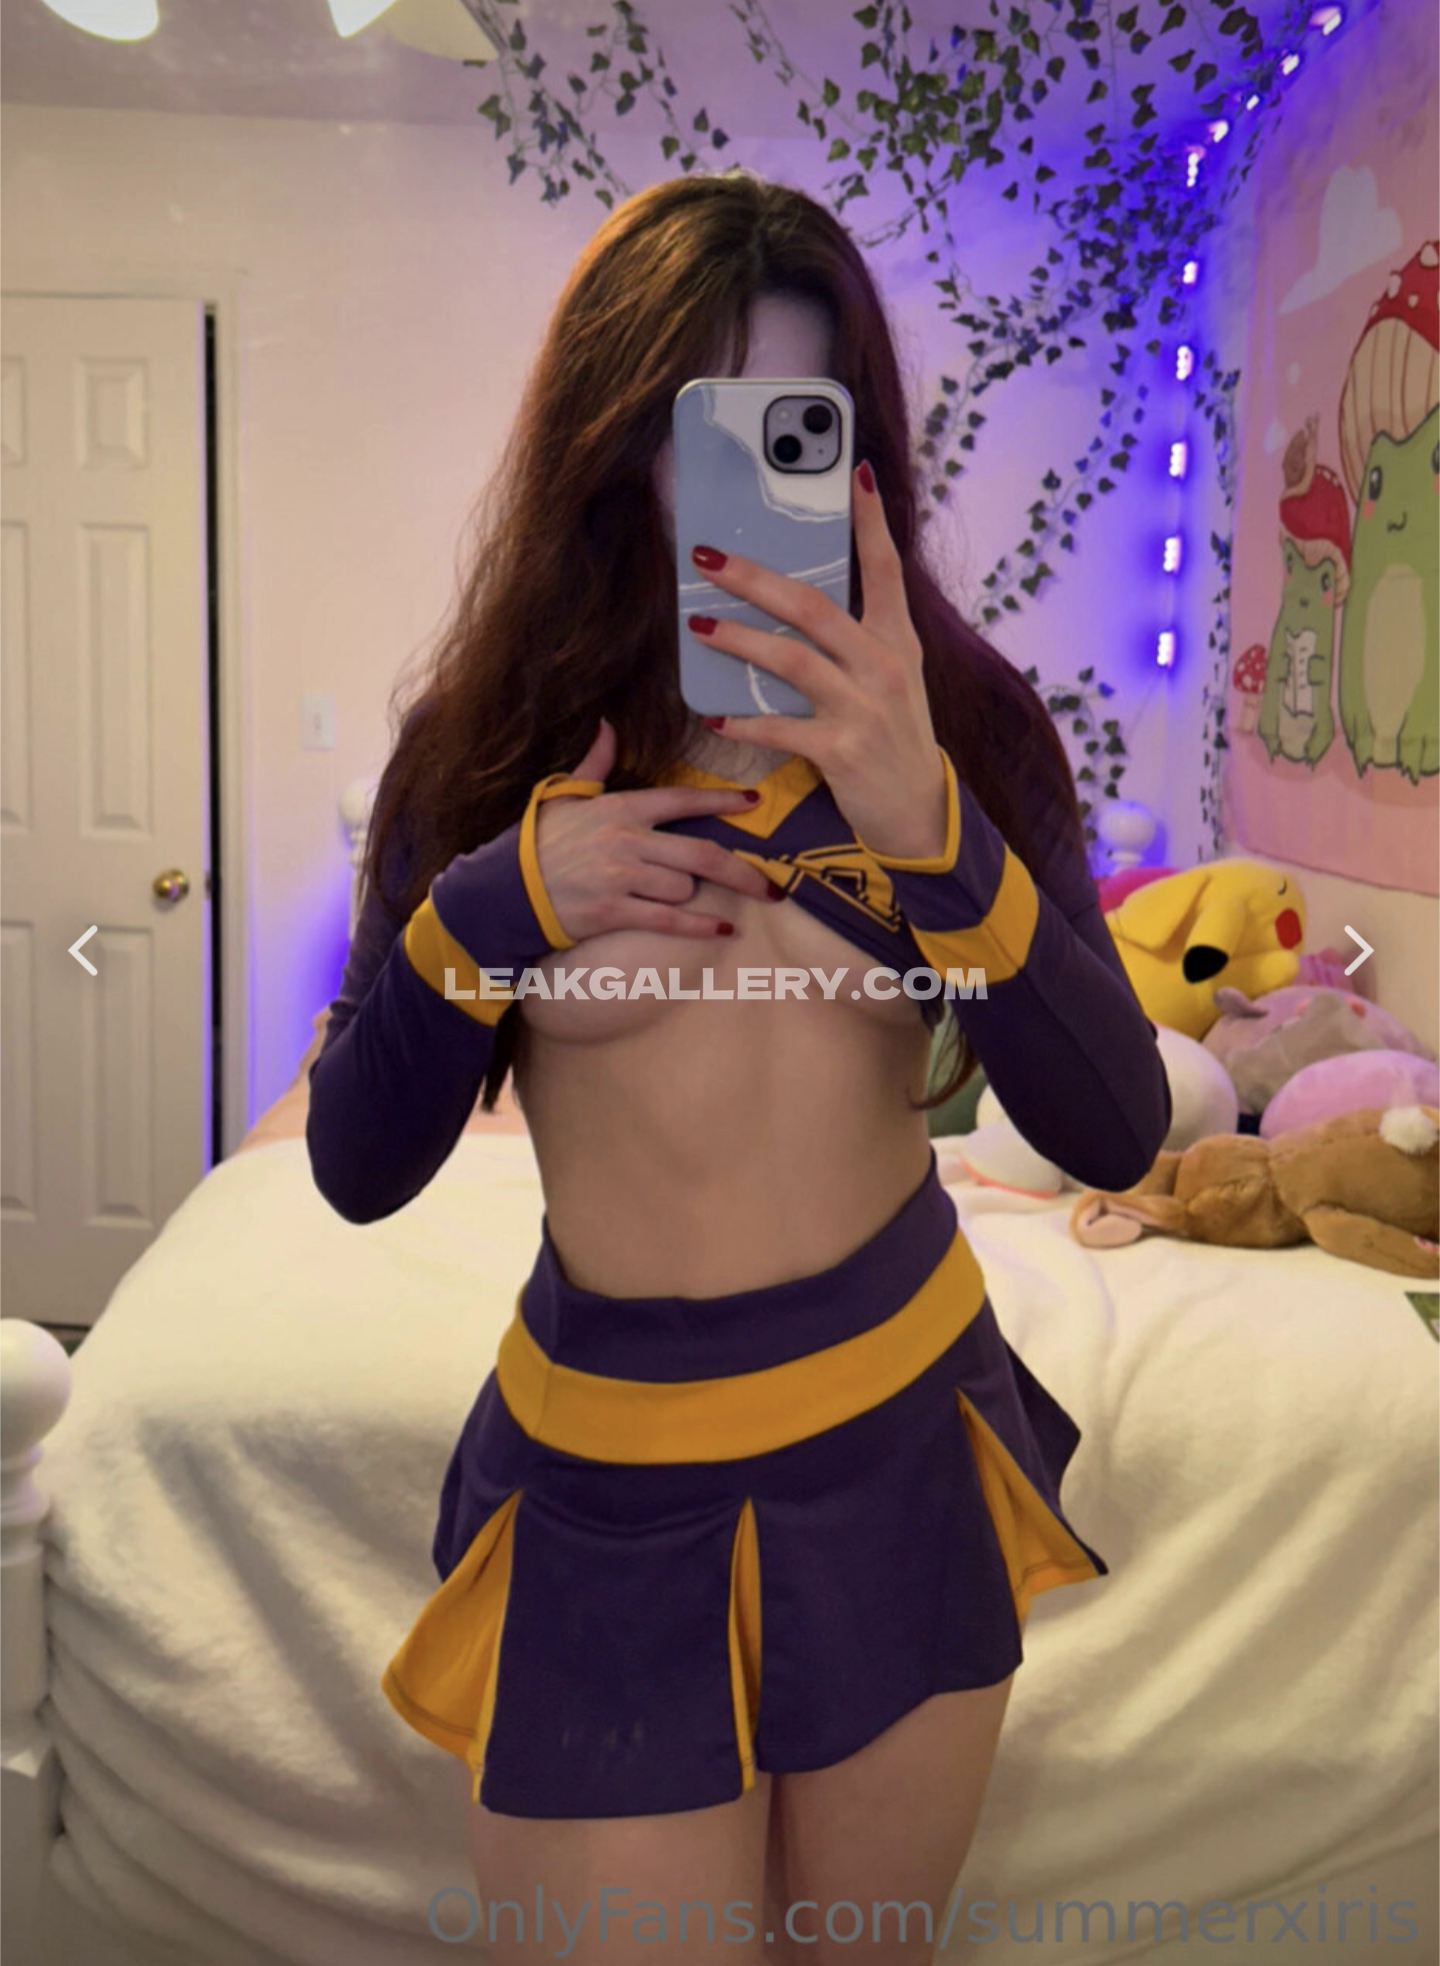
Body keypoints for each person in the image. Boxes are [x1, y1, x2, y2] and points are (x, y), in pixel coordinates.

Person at [307, 169, 1170, 1966]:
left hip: (908, 1429)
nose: (734, 491)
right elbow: (357, 1164)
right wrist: (494, 911)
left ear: (858, 457)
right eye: (691, 428)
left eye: (792, 427)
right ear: (607, 441)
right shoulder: (491, 745)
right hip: (607, 1480)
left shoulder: (963, 731)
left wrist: (929, 825)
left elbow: (1113, 1127)